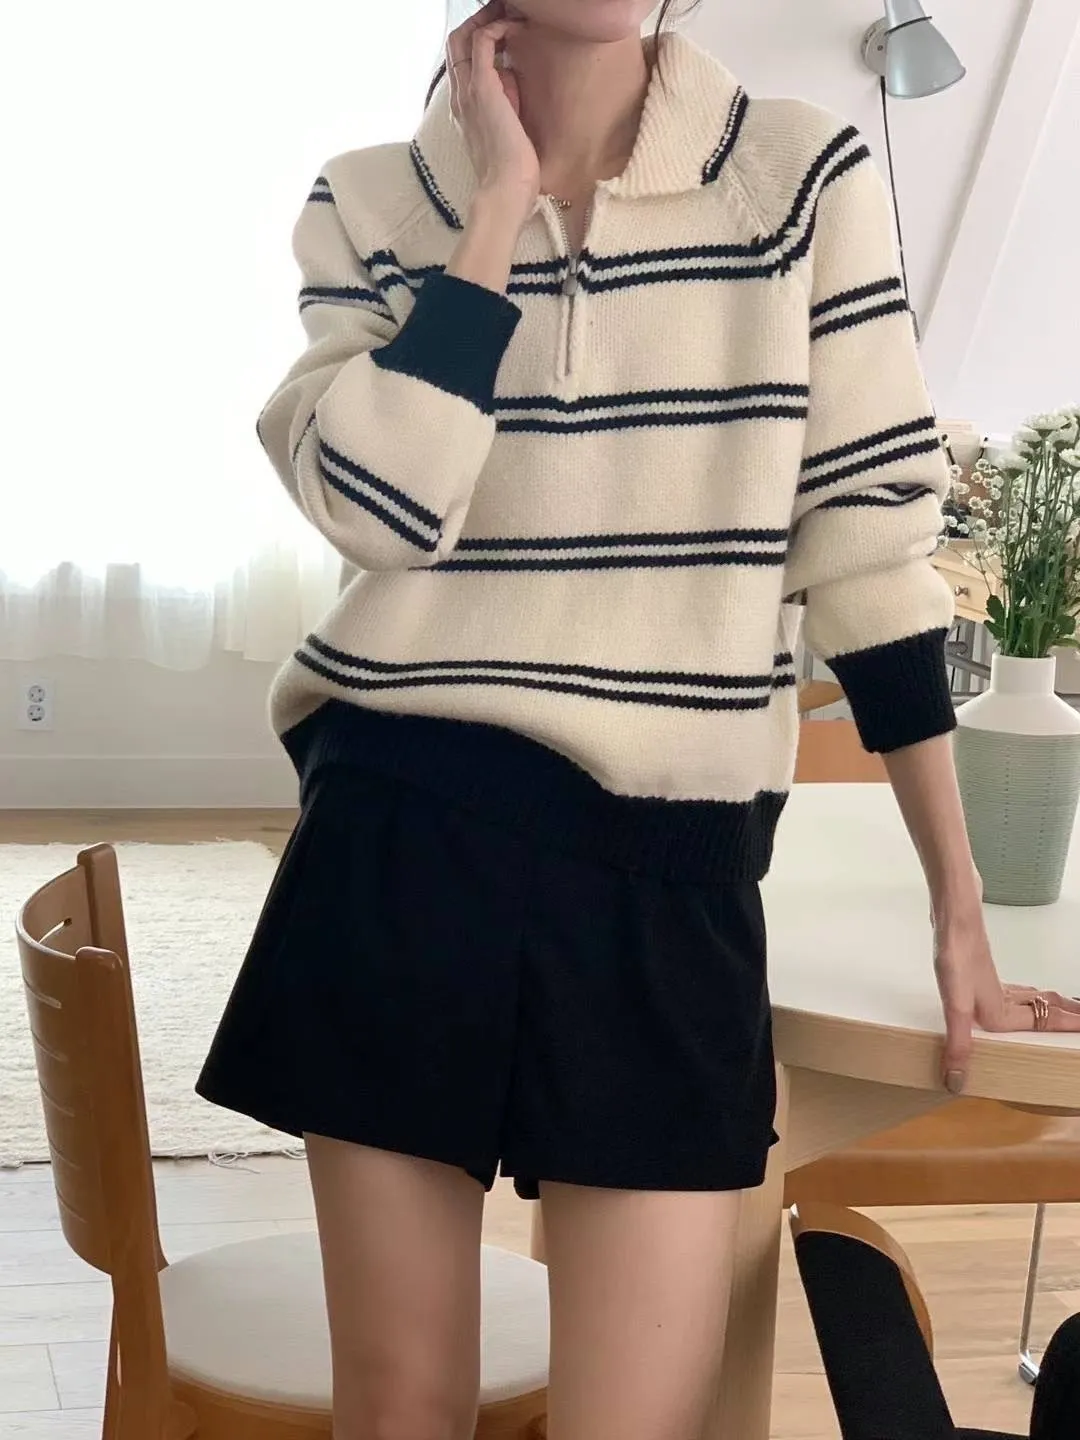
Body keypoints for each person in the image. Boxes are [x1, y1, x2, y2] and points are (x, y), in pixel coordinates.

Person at [198, 3, 1080, 1437]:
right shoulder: (373, 202)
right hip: (400, 844)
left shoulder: (797, 179)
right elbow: (380, 510)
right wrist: (495, 208)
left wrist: (959, 910)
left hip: (671, 873)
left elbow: (867, 551)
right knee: (400, 1409)